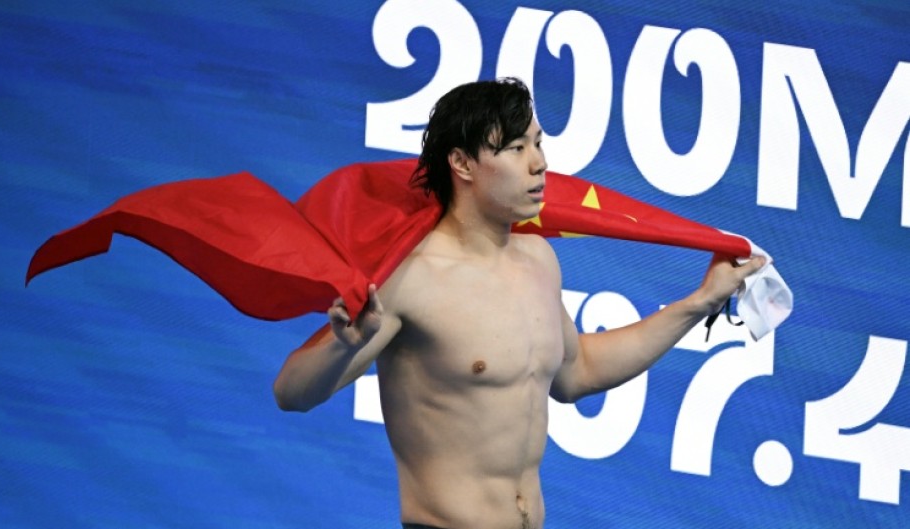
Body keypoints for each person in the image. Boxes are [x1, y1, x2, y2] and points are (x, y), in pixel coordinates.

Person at [272, 77, 764, 529]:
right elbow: (290, 394)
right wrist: (343, 347)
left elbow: (578, 372)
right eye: (514, 148)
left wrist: (700, 302)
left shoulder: (539, 260)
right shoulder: (411, 277)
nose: (539, 163)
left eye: (538, 142)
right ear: (462, 164)